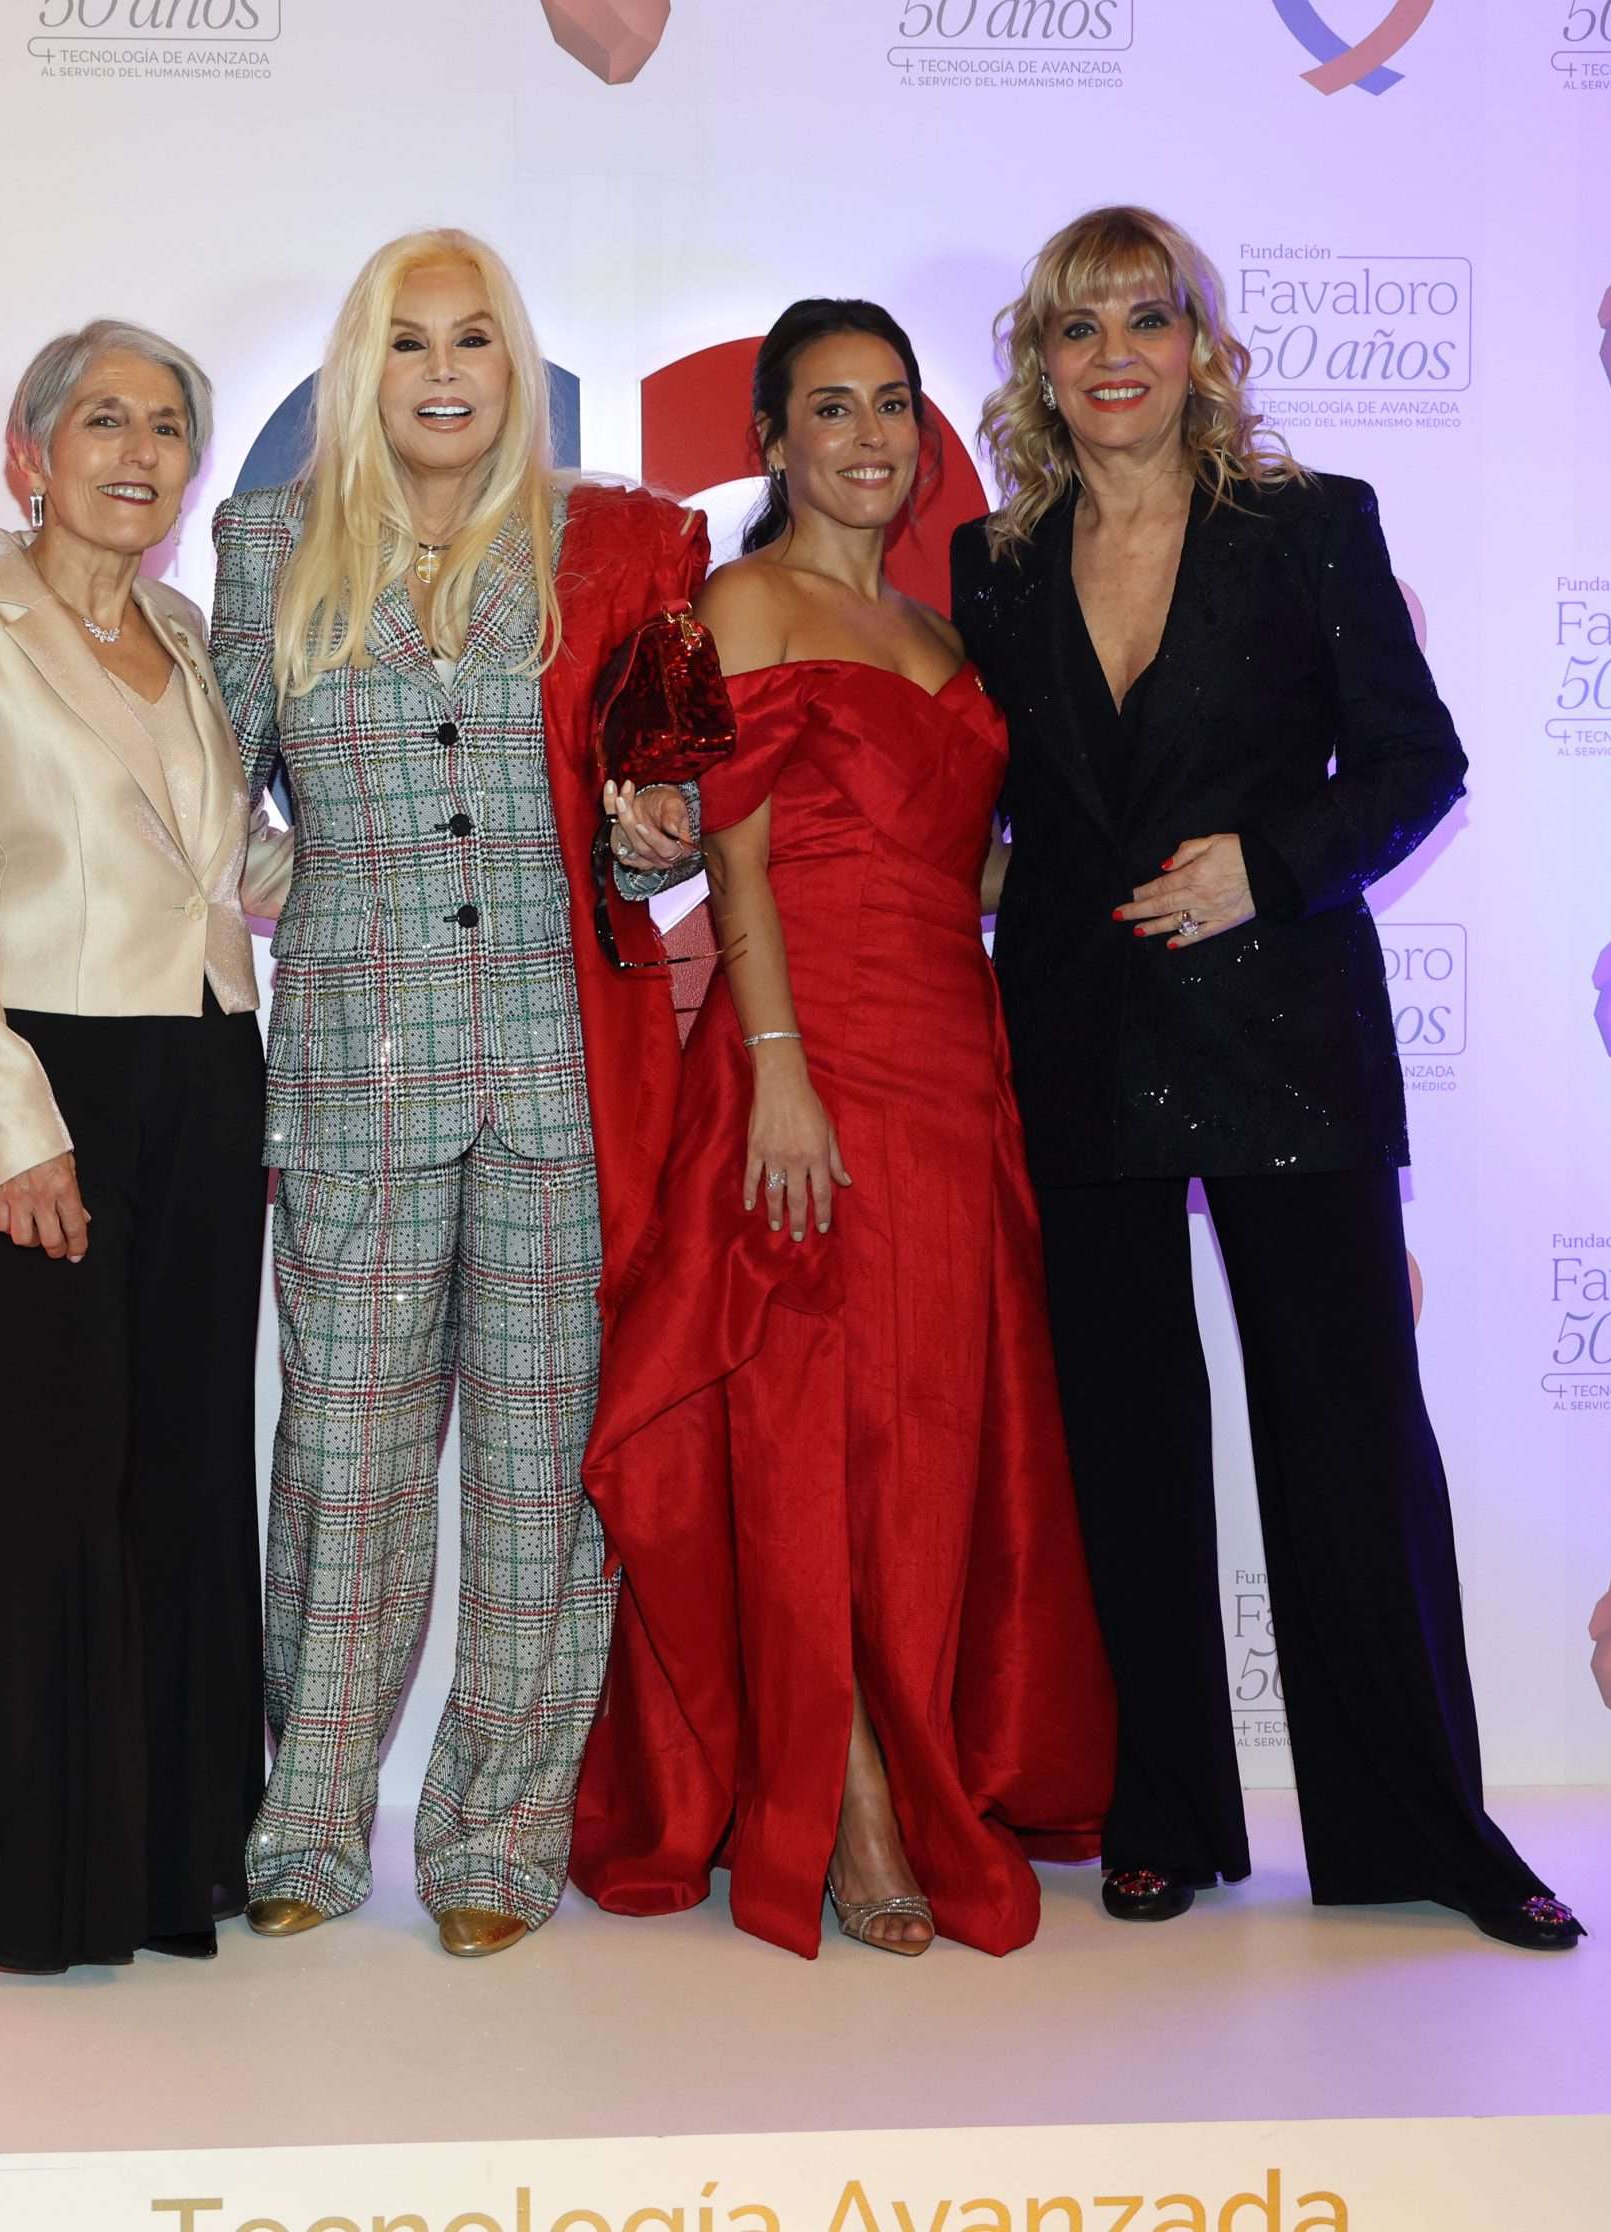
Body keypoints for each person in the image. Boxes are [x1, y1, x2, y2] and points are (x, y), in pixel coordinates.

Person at [951, 206, 1584, 1953]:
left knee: (1349, 1439)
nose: (1116, 358)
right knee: (1128, 1447)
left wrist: (1269, 864)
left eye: (1147, 320)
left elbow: (1416, 761)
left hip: (1286, 1036)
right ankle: (1163, 1813)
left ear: (1202, 347)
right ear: (1041, 365)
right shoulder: (994, 565)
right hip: (1079, 1041)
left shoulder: (1310, 529)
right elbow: (988, 804)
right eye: (1079, 329)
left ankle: (1423, 1834)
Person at [569, 300, 1115, 1960]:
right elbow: (730, 850)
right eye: (830, 408)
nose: (869, 436)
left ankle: (922, 1749)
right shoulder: (741, 602)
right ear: (771, 441)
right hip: (802, 1054)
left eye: (892, 404)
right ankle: (849, 1796)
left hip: (954, 1065)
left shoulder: (949, 638)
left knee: (924, 1439)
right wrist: (781, 1068)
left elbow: (963, 860)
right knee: (807, 1431)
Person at [210, 228, 705, 1961]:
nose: (442, 371)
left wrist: (657, 838)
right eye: (409, 340)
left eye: (474, 338)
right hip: (353, 1078)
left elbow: (654, 820)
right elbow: (201, 795)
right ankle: (308, 1822)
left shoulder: (604, 551)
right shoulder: (267, 546)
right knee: (340, 1467)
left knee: (538, 1478)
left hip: (563, 1082)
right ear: (364, 365)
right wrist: (316, 893)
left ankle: (500, 1834)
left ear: (517, 366)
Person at [0, 318, 295, 1973]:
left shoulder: (185, 634)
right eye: (103, 418)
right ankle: (39, 1883)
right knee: (53, 1474)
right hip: (45, 1081)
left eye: (167, 426)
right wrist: (11, 1128)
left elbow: (229, 869)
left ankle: (176, 1858)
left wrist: (420, 863)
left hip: (206, 1068)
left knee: (185, 1461)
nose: (138, 450)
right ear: (29, 453)